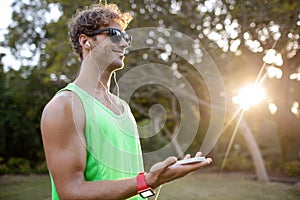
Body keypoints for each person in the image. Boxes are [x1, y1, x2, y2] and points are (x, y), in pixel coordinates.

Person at [40, 3, 212, 200]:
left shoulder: (123, 108)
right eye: (114, 34)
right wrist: (147, 180)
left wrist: (157, 180)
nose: (124, 43)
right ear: (86, 41)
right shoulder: (64, 106)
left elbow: (135, 185)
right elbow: (70, 192)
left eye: (126, 37)